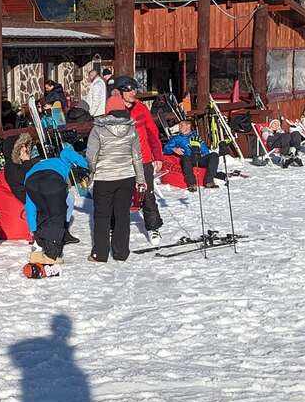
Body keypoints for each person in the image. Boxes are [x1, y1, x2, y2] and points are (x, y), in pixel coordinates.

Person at [85, 92, 144, 262]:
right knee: (122, 214)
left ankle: (100, 253)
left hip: (104, 177)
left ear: (108, 110)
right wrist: (140, 179)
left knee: (102, 216)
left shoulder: (98, 129)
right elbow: (137, 156)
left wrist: (92, 172)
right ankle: (121, 252)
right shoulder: (131, 128)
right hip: (126, 177)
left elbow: (91, 156)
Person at [114, 76, 164, 240]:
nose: (132, 93)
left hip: (143, 158)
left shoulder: (141, 108)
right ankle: (115, 226)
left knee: (147, 194)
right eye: (128, 90)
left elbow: (152, 133)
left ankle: (154, 227)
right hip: (122, 160)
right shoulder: (113, 109)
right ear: (120, 92)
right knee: (119, 194)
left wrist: (158, 155)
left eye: (134, 89)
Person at [23, 143, 88, 263]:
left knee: (43, 213)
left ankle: (37, 250)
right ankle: (51, 256)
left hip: (30, 181)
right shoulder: (62, 160)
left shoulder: (39, 165)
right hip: (52, 180)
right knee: (57, 215)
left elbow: (30, 205)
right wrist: (86, 165)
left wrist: (32, 227)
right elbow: (67, 152)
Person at [163, 117, 219, 191]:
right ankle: (192, 184)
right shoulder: (177, 138)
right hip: (188, 159)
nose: (179, 127)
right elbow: (165, 148)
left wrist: (203, 153)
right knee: (185, 158)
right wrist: (174, 149)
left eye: (181, 125)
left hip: (199, 158)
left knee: (214, 155)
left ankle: (209, 181)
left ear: (188, 126)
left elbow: (205, 151)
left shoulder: (196, 137)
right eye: (179, 125)